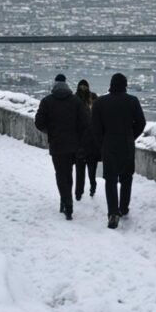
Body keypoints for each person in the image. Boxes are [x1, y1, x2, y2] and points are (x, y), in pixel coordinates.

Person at [91, 73, 146, 229]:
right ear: (125, 85)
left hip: (109, 145)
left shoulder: (100, 102)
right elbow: (141, 123)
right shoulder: (132, 101)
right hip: (127, 145)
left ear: (111, 84)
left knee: (110, 180)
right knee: (126, 178)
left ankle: (113, 213)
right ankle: (123, 207)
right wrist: (131, 136)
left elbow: (95, 128)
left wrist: (103, 142)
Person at [34, 74, 90, 220]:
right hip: (73, 145)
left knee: (60, 174)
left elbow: (39, 123)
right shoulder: (76, 101)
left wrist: (50, 131)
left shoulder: (47, 101)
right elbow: (85, 124)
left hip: (56, 144)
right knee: (68, 173)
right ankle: (66, 200)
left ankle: (66, 201)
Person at [74, 79, 100, 200]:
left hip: (91, 140)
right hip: (81, 139)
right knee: (80, 169)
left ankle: (92, 185)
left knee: (91, 168)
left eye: (85, 86)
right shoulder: (75, 99)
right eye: (81, 86)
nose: (83, 88)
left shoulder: (93, 98)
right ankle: (79, 192)